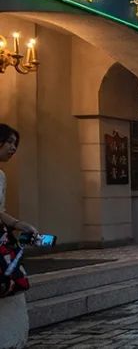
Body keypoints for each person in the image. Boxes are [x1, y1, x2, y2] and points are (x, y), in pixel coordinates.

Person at [0, 124, 39, 349]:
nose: (13, 148)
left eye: (15, 143)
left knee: (10, 287)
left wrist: (18, 224)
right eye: (9, 142)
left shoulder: (1, 176)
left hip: (2, 244)